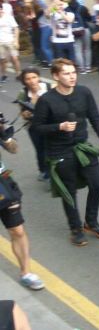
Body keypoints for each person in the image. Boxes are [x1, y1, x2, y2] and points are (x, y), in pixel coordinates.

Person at [30, 58, 99, 246]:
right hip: (60, 151)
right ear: (55, 76)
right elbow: (37, 127)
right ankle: (75, 229)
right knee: (69, 192)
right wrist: (59, 126)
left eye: (73, 72)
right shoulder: (47, 100)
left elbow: (95, 118)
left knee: (98, 184)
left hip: (82, 147)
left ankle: (91, 223)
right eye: (66, 73)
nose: (72, 76)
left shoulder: (84, 92)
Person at [0, 117, 45, 292]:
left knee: (17, 230)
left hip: (3, 184)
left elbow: (14, 149)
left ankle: (26, 273)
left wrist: (5, 136)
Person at [16, 67, 50, 181]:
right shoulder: (23, 93)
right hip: (34, 127)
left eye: (34, 77)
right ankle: (44, 171)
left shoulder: (49, 88)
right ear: (24, 81)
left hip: (52, 125)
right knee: (40, 149)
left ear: (38, 77)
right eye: (28, 79)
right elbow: (22, 113)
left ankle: (55, 171)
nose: (32, 81)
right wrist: (26, 113)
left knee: (53, 148)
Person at [0, 4, 20, 82]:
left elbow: (16, 29)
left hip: (10, 41)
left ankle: (18, 74)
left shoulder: (9, 17)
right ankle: (4, 75)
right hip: (0, 42)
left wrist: (16, 41)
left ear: (2, 9)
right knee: (3, 60)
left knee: (15, 58)